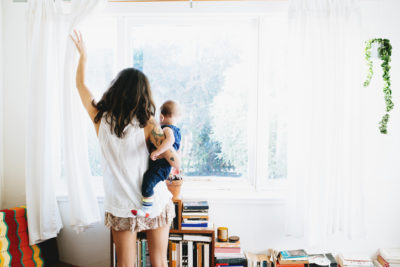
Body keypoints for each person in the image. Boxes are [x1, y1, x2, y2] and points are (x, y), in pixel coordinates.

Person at [70, 30, 179, 267]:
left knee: (125, 264)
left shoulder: (99, 117)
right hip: (153, 200)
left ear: (116, 89)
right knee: (159, 262)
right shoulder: (149, 123)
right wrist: (170, 133)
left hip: (121, 206)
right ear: (143, 95)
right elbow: (173, 159)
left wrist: (83, 55)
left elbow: (80, 86)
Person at [133, 100, 182, 218]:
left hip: (160, 166)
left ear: (161, 117)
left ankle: (146, 209)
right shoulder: (178, 131)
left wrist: (157, 151)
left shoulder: (166, 129)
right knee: (148, 181)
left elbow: (169, 141)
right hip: (164, 166)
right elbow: (178, 151)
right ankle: (146, 208)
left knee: (147, 182)